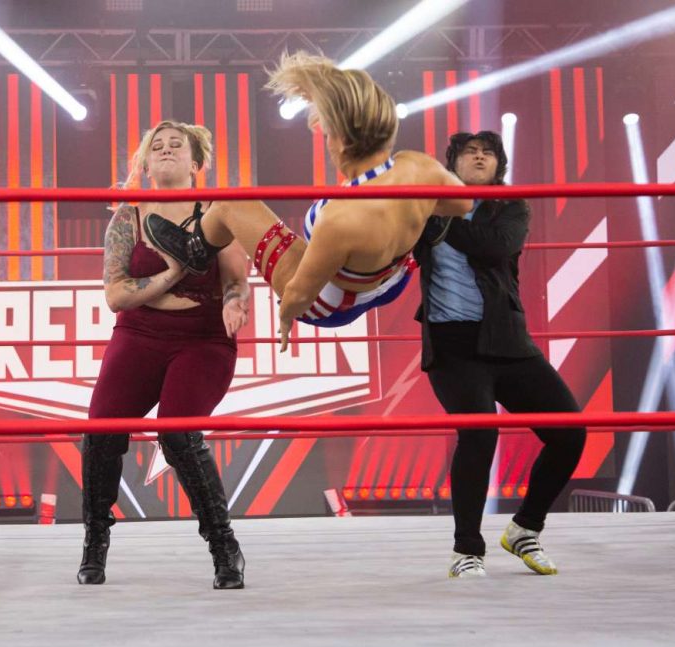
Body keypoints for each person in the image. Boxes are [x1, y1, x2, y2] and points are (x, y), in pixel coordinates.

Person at [141, 51, 473, 350]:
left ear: (338, 139)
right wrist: (412, 214)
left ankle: (194, 250)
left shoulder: (341, 217)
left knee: (232, 203)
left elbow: (299, 293)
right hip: (394, 282)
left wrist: (285, 319)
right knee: (334, 255)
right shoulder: (418, 167)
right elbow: (463, 204)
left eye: (325, 133)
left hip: (330, 305)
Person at [79, 120, 252, 589]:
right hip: (138, 334)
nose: (167, 149)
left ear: (196, 162)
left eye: (177, 145)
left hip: (203, 338)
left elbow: (237, 280)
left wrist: (235, 301)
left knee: (177, 433)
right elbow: (116, 295)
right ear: (146, 162)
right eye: (157, 146)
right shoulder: (128, 217)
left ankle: (224, 548)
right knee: (101, 429)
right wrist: (175, 271)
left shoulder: (215, 213)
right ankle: (95, 542)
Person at [413, 131, 586, 578]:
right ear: (452, 163)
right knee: (479, 433)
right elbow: (387, 248)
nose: (478, 157)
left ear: (498, 166)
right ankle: (467, 550)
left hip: (506, 339)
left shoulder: (510, 205)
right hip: (452, 345)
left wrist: (441, 214)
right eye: (469, 152)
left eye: (487, 153)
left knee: (570, 432)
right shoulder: (422, 205)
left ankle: (525, 528)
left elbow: (493, 247)